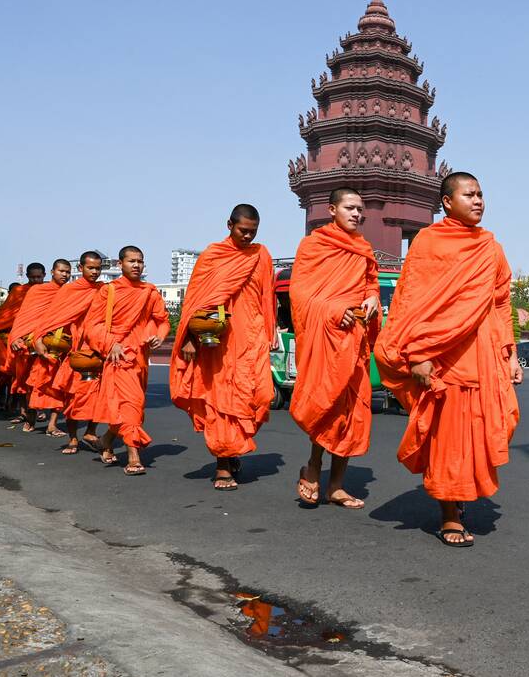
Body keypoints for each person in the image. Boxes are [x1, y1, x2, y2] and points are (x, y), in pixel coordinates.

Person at [376, 172, 521, 546]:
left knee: (484, 430)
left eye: (481, 194)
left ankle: (459, 497)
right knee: (449, 438)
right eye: (469, 195)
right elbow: (413, 303)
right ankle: (449, 513)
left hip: (484, 354)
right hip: (444, 359)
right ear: (447, 202)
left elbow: (502, 303)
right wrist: (419, 355)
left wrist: (511, 354)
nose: (478, 201)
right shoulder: (428, 243)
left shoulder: (491, 248)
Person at [171, 205, 276, 490]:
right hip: (217, 340)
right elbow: (194, 299)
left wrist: (271, 329)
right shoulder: (213, 256)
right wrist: (191, 339)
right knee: (221, 399)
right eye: (243, 231)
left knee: (261, 396)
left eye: (253, 232)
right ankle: (222, 464)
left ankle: (230, 454)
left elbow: (268, 295)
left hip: (252, 337)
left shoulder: (261, 255)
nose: (248, 236)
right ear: (229, 224)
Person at [289, 189, 379, 508]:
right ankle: (313, 468)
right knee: (326, 406)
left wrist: (372, 299)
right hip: (327, 338)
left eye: (360, 210)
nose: (356, 214)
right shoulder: (313, 245)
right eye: (350, 208)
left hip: (354, 340)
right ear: (331, 209)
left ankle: (337, 485)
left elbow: (370, 283)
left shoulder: (363, 247)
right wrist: (332, 309)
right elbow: (300, 295)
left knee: (352, 413)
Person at [84, 246, 168, 475]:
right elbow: (92, 325)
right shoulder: (109, 291)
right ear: (120, 264)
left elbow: (162, 321)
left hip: (140, 357)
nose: (136, 265)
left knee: (132, 406)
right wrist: (111, 343)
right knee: (130, 405)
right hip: (117, 357)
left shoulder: (149, 291)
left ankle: (107, 441)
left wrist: (159, 337)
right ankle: (133, 455)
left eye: (140, 261)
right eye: (131, 261)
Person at [31, 252, 106, 455]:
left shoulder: (104, 290)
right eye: (91, 268)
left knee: (98, 395)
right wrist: (38, 338)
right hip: (76, 349)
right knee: (72, 395)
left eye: (98, 268)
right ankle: (73, 439)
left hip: (96, 348)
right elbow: (52, 317)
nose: (95, 272)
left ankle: (91, 431)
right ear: (80, 268)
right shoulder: (70, 290)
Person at [9, 259, 70, 434]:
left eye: (67, 272)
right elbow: (25, 316)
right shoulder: (38, 291)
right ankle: (31, 415)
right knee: (34, 382)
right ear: (52, 272)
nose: (64, 275)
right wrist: (16, 336)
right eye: (61, 271)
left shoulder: (70, 292)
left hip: (59, 344)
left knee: (59, 385)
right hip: (34, 344)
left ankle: (52, 424)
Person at [0, 264, 45, 418]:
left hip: (41, 337)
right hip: (19, 337)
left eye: (39, 277)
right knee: (21, 374)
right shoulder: (19, 291)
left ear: (45, 275)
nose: (36, 280)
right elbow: (6, 313)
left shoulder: (49, 291)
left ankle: (36, 407)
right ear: (27, 276)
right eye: (33, 277)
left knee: (39, 374)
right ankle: (25, 409)